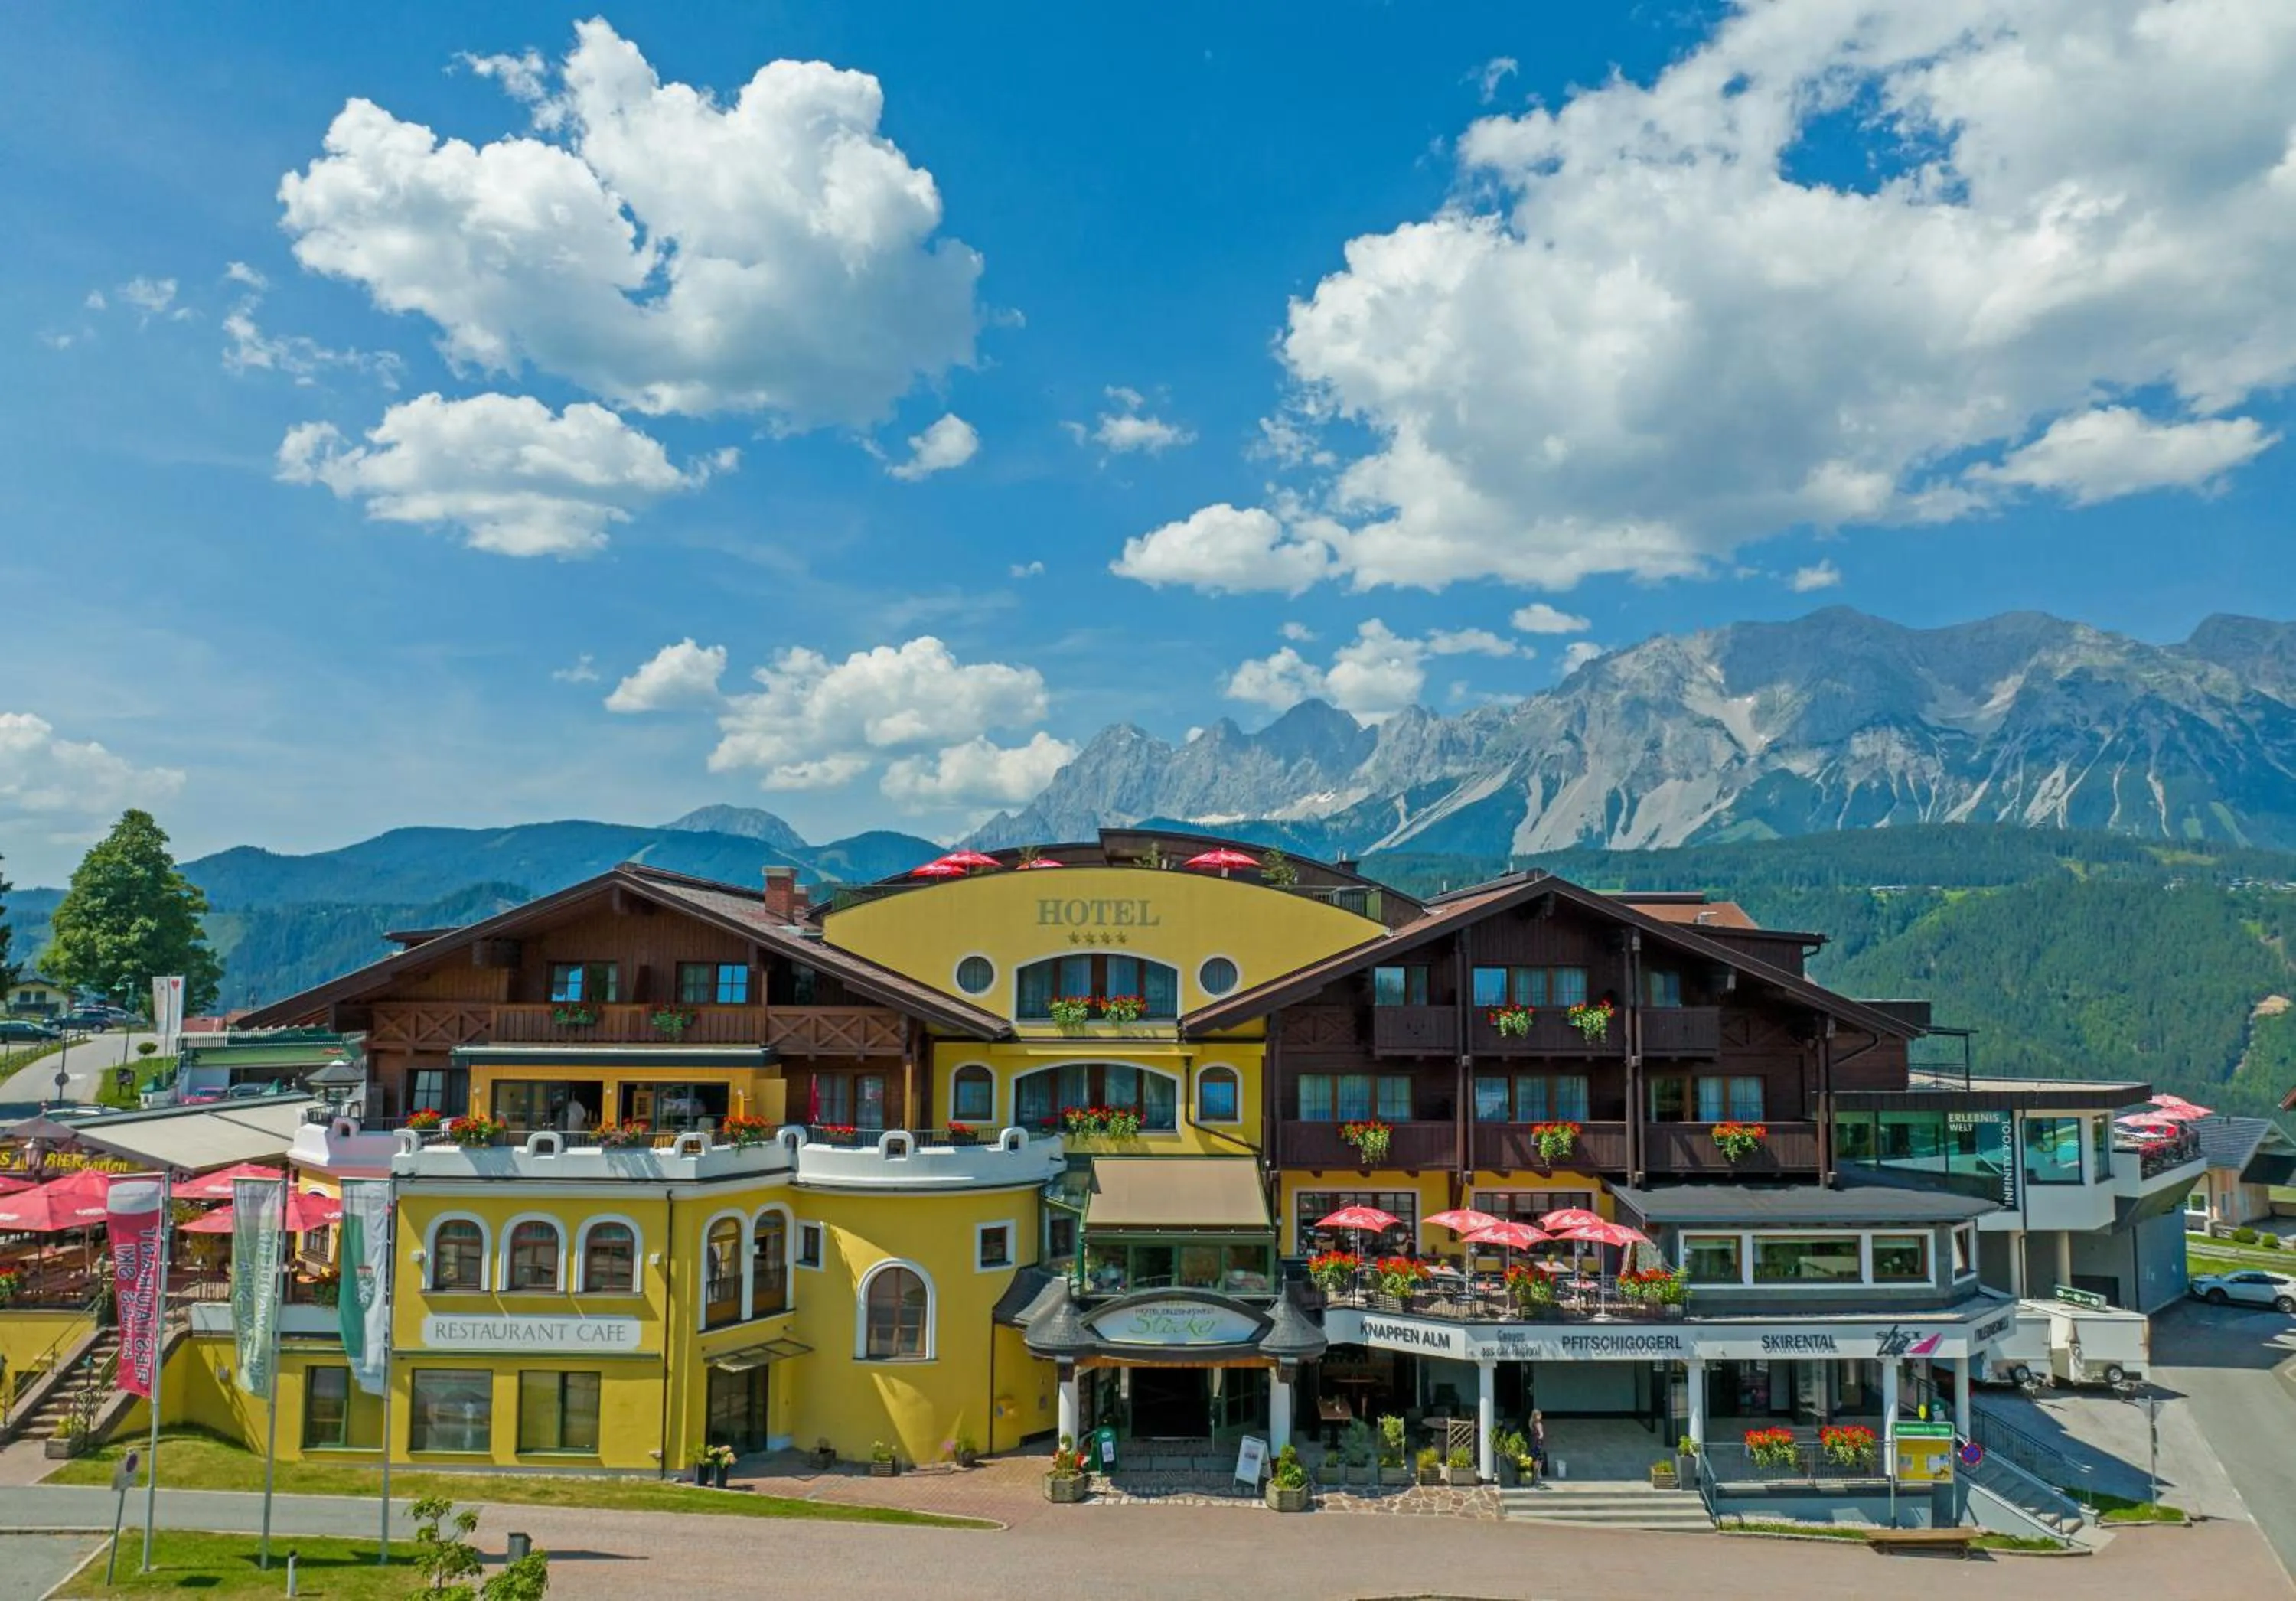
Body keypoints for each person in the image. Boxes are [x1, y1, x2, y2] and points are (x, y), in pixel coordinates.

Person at [1528, 1409, 1548, 1476]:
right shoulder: (1538, 1424)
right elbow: (1541, 1434)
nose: (1541, 1416)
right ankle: (1538, 1472)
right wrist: (1541, 1437)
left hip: (1533, 1443)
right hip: (1538, 1443)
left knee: (1534, 1457)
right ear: (1536, 1416)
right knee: (1539, 1458)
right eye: (1539, 1415)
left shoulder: (1531, 1423)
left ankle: (1534, 1472)